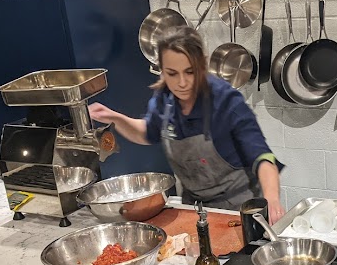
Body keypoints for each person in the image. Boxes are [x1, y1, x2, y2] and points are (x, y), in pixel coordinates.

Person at [89, 26, 285, 222]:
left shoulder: (226, 102)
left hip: (238, 210)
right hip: (194, 210)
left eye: (189, 72)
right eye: (172, 73)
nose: (181, 83)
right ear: (162, 70)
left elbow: (263, 157)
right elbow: (148, 132)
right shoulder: (164, 100)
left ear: (201, 65)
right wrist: (116, 118)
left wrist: (272, 200)